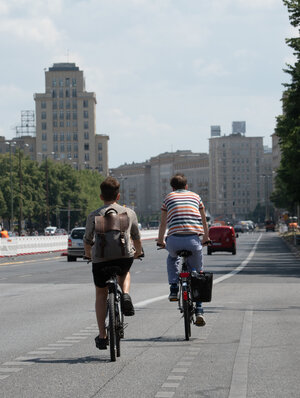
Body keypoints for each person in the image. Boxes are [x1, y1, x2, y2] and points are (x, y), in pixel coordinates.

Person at [84, 177, 143, 350]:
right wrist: (138, 252)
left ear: (101, 196)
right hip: (123, 257)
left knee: (101, 294)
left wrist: (88, 255)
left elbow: (87, 240)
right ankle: (125, 293)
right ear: (118, 196)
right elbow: (137, 238)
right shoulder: (129, 213)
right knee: (124, 272)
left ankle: (102, 336)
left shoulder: (94, 215)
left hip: (101, 260)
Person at [157, 173, 210, 327]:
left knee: (172, 258)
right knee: (198, 275)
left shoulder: (168, 198)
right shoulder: (196, 197)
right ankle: (199, 309)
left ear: (172, 188)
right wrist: (205, 237)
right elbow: (204, 220)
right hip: (193, 240)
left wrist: (161, 241)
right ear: (187, 186)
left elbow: (162, 224)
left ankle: (174, 288)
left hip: (174, 241)